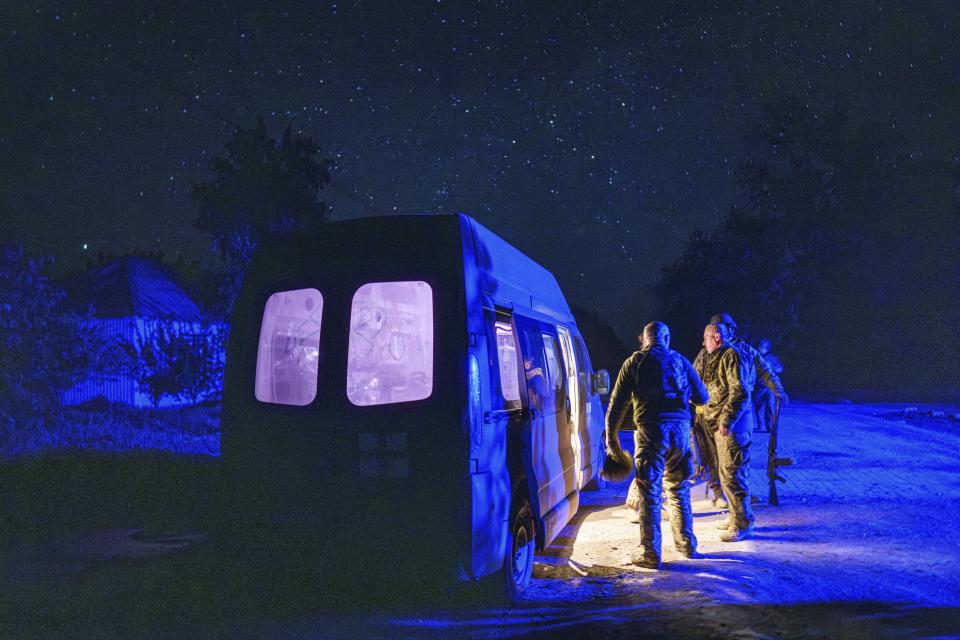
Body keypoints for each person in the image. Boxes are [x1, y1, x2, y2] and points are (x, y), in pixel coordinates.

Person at [606, 321, 709, 569]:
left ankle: (651, 554)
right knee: (678, 488)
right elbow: (702, 397)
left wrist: (611, 436)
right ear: (667, 338)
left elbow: (617, 403)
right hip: (680, 433)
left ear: (645, 339)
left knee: (650, 492)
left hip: (652, 432)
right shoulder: (681, 361)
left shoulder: (635, 362)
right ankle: (687, 545)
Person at [693, 313, 788, 496]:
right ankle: (719, 492)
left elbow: (764, 370)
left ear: (730, 329)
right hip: (709, 413)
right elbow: (694, 376)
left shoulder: (744, 350)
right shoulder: (707, 351)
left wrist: (777, 390)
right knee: (712, 455)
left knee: (737, 457)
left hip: (736, 410)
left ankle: (738, 495)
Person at [701, 322, 756, 542]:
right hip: (725, 427)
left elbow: (740, 391)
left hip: (733, 428)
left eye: (705, 338)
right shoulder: (722, 356)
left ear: (716, 337)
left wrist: (727, 420)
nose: (703, 342)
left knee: (734, 474)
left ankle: (742, 524)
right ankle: (737, 516)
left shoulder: (732, 356)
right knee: (727, 473)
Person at [754, 338, 784, 433]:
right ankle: (761, 425)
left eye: (764, 347)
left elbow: (780, 368)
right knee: (759, 407)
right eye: (760, 347)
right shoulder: (754, 358)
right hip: (758, 387)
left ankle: (769, 426)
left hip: (770, 387)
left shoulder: (772, 358)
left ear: (768, 348)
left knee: (770, 407)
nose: (762, 349)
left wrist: (776, 369)